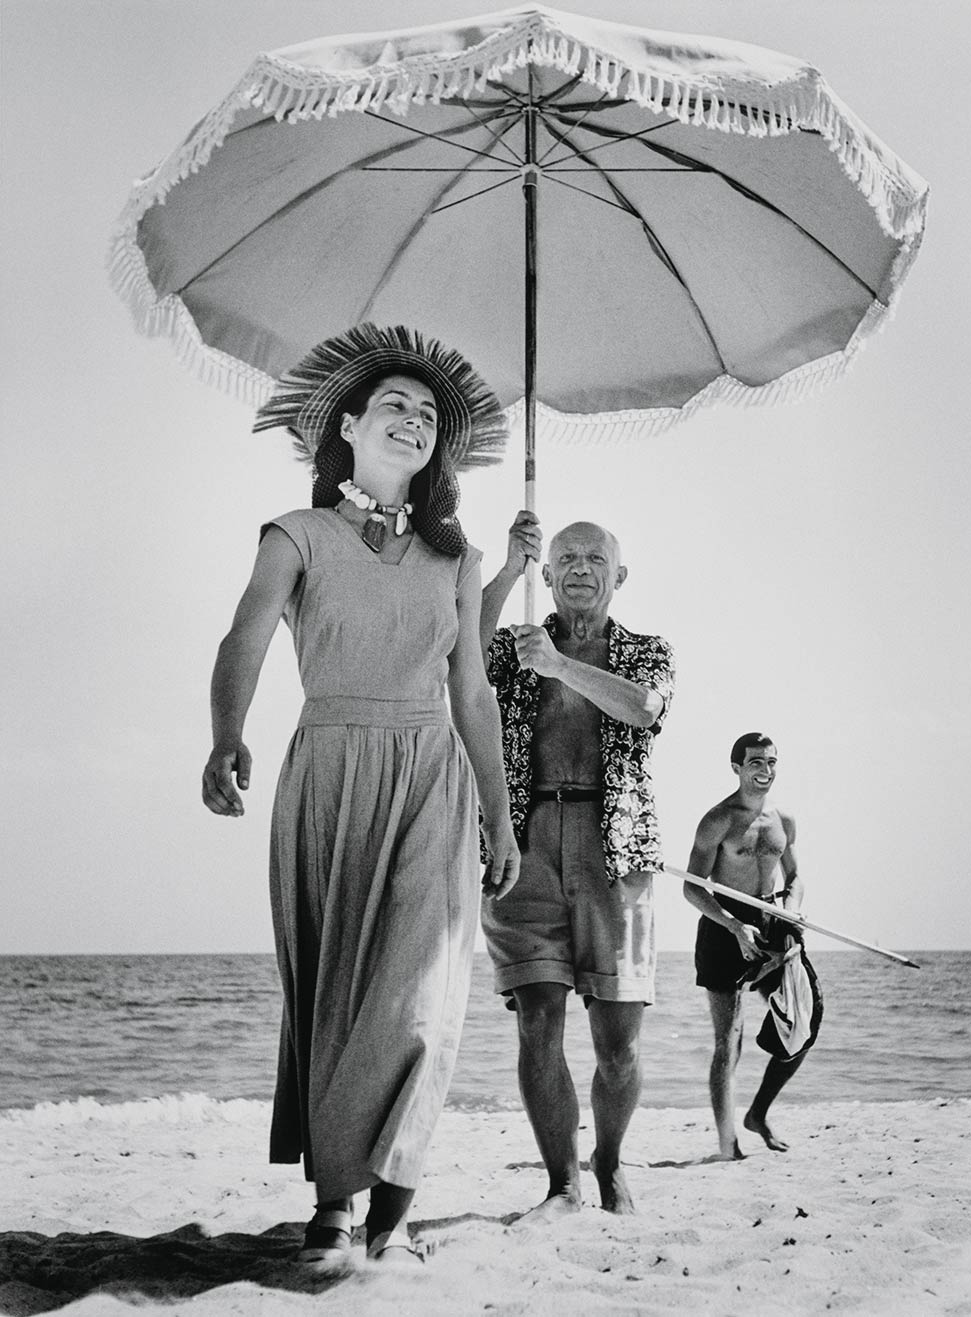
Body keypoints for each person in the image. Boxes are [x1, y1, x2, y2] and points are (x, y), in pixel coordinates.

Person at [201, 324, 520, 1269]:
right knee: (339, 992)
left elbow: (472, 693)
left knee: (423, 997)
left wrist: (499, 814)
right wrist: (226, 733)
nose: (414, 420)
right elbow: (245, 639)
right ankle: (336, 1202)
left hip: (431, 775)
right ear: (347, 425)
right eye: (396, 405)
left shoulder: (457, 561)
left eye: (428, 414)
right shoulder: (295, 535)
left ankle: (394, 1205)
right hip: (330, 769)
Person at [479, 510, 675, 1218]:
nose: (581, 568)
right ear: (549, 573)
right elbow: (458, 655)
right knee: (537, 1020)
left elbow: (645, 710)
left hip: (614, 848)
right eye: (566, 558)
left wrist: (560, 665)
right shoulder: (516, 645)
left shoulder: (647, 649)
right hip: (524, 843)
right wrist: (506, 569)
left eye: (595, 558)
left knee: (618, 1040)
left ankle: (610, 1160)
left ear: (618, 575)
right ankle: (560, 1181)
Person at [684, 732, 823, 1161]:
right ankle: (728, 1144)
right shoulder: (718, 820)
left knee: (805, 1021)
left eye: (771, 762)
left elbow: (795, 877)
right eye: (756, 763)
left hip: (773, 919)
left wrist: (792, 908)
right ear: (737, 768)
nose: (765, 771)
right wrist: (731, 925)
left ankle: (758, 1114)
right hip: (724, 925)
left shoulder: (784, 820)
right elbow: (692, 888)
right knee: (730, 1039)